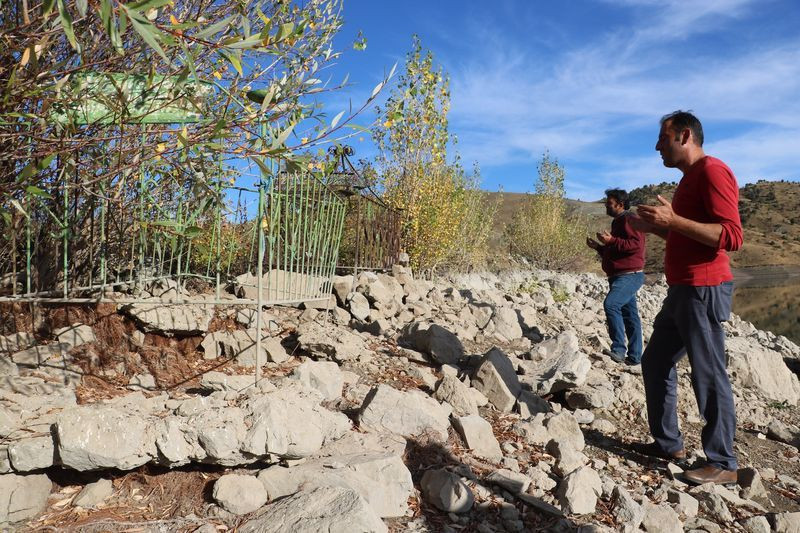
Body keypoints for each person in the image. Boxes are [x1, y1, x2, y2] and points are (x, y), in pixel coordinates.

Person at [633, 110, 743, 485]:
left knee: (708, 372)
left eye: (662, 139)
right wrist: (659, 228)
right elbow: (690, 235)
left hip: (705, 289)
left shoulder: (713, 171)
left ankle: (723, 462)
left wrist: (674, 221)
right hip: (682, 289)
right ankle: (668, 444)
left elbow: (732, 236)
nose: (657, 146)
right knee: (656, 361)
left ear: (684, 136)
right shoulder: (688, 180)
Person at [586, 189, 646, 365]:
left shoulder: (630, 219)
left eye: (609, 203)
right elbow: (617, 249)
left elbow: (636, 244)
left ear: (620, 204)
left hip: (629, 275)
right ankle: (635, 358)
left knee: (611, 305)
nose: (606, 205)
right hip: (620, 275)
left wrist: (611, 241)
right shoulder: (618, 222)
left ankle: (619, 350)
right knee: (630, 316)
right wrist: (599, 247)